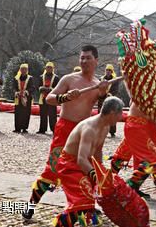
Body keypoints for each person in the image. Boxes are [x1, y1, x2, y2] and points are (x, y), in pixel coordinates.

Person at [22, 45, 109, 220]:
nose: (84, 61)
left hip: (84, 132)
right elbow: (49, 98)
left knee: (86, 170)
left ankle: (85, 205)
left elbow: (102, 111)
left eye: (88, 58)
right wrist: (65, 97)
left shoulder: (97, 84)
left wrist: (103, 93)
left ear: (96, 61)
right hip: (65, 130)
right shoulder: (69, 79)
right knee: (53, 170)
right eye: (82, 58)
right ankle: (31, 204)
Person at [52, 96, 124, 226]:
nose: (121, 117)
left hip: (86, 164)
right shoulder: (89, 128)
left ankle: (85, 211)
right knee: (83, 201)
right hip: (70, 166)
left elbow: (97, 152)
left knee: (90, 199)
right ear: (112, 113)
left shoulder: (105, 127)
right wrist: (96, 176)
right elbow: (81, 159)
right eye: (120, 113)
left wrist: (101, 170)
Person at [110, 60, 156, 197]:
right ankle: (128, 187)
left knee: (127, 153)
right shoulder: (145, 85)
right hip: (136, 125)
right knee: (152, 159)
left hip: (145, 127)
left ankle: (111, 182)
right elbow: (131, 87)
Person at [37, 62, 60, 134]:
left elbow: (58, 88)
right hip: (43, 97)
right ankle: (42, 129)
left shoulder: (56, 78)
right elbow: (39, 86)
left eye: (50, 67)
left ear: (53, 69)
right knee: (43, 114)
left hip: (52, 98)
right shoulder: (41, 77)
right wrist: (42, 89)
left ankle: (54, 129)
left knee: (52, 114)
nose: (49, 69)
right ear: (45, 68)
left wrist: (49, 89)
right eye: (48, 67)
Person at [98, 64, 120, 137]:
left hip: (111, 100)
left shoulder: (115, 80)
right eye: (107, 70)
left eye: (109, 70)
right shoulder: (101, 79)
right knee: (101, 115)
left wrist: (109, 95)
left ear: (112, 71)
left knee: (112, 115)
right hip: (102, 100)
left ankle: (112, 132)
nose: (108, 72)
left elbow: (116, 90)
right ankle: (100, 130)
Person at [13, 63, 35, 133]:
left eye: (25, 69)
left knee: (26, 113)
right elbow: (13, 87)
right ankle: (17, 128)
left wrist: (26, 92)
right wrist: (16, 92)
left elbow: (32, 87)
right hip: (18, 97)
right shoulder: (16, 78)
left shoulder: (30, 78)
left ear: (27, 70)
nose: (24, 70)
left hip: (27, 98)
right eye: (22, 69)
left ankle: (24, 128)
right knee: (17, 113)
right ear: (20, 70)